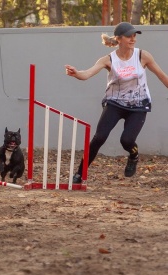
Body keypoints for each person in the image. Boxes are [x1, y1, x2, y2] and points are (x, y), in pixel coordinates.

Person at [65, 22, 168, 184]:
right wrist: (77, 73)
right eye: (129, 36)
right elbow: (87, 74)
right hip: (115, 103)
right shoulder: (108, 59)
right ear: (119, 39)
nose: (133, 39)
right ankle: (79, 173)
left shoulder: (143, 56)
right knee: (99, 138)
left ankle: (133, 155)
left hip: (139, 105)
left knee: (126, 141)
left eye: (134, 35)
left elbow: (163, 76)